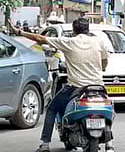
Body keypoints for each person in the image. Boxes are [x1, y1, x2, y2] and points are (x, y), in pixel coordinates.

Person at [7, 18, 114, 152]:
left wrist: (19, 32)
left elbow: (40, 38)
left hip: (76, 88)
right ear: (88, 29)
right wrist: (101, 67)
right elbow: (105, 62)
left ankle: (45, 144)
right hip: (98, 87)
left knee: (52, 109)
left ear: (74, 31)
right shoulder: (98, 42)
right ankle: (109, 143)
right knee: (108, 109)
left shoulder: (69, 42)